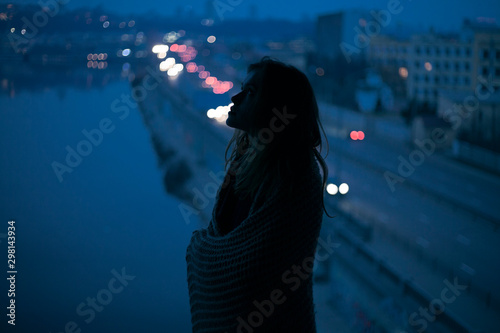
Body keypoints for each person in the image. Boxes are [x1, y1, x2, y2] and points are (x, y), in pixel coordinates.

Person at [186, 57, 331, 332]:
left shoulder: (293, 177)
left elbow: (253, 270)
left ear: (276, 107)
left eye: (250, 92)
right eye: (242, 88)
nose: (235, 97)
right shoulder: (245, 164)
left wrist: (200, 249)